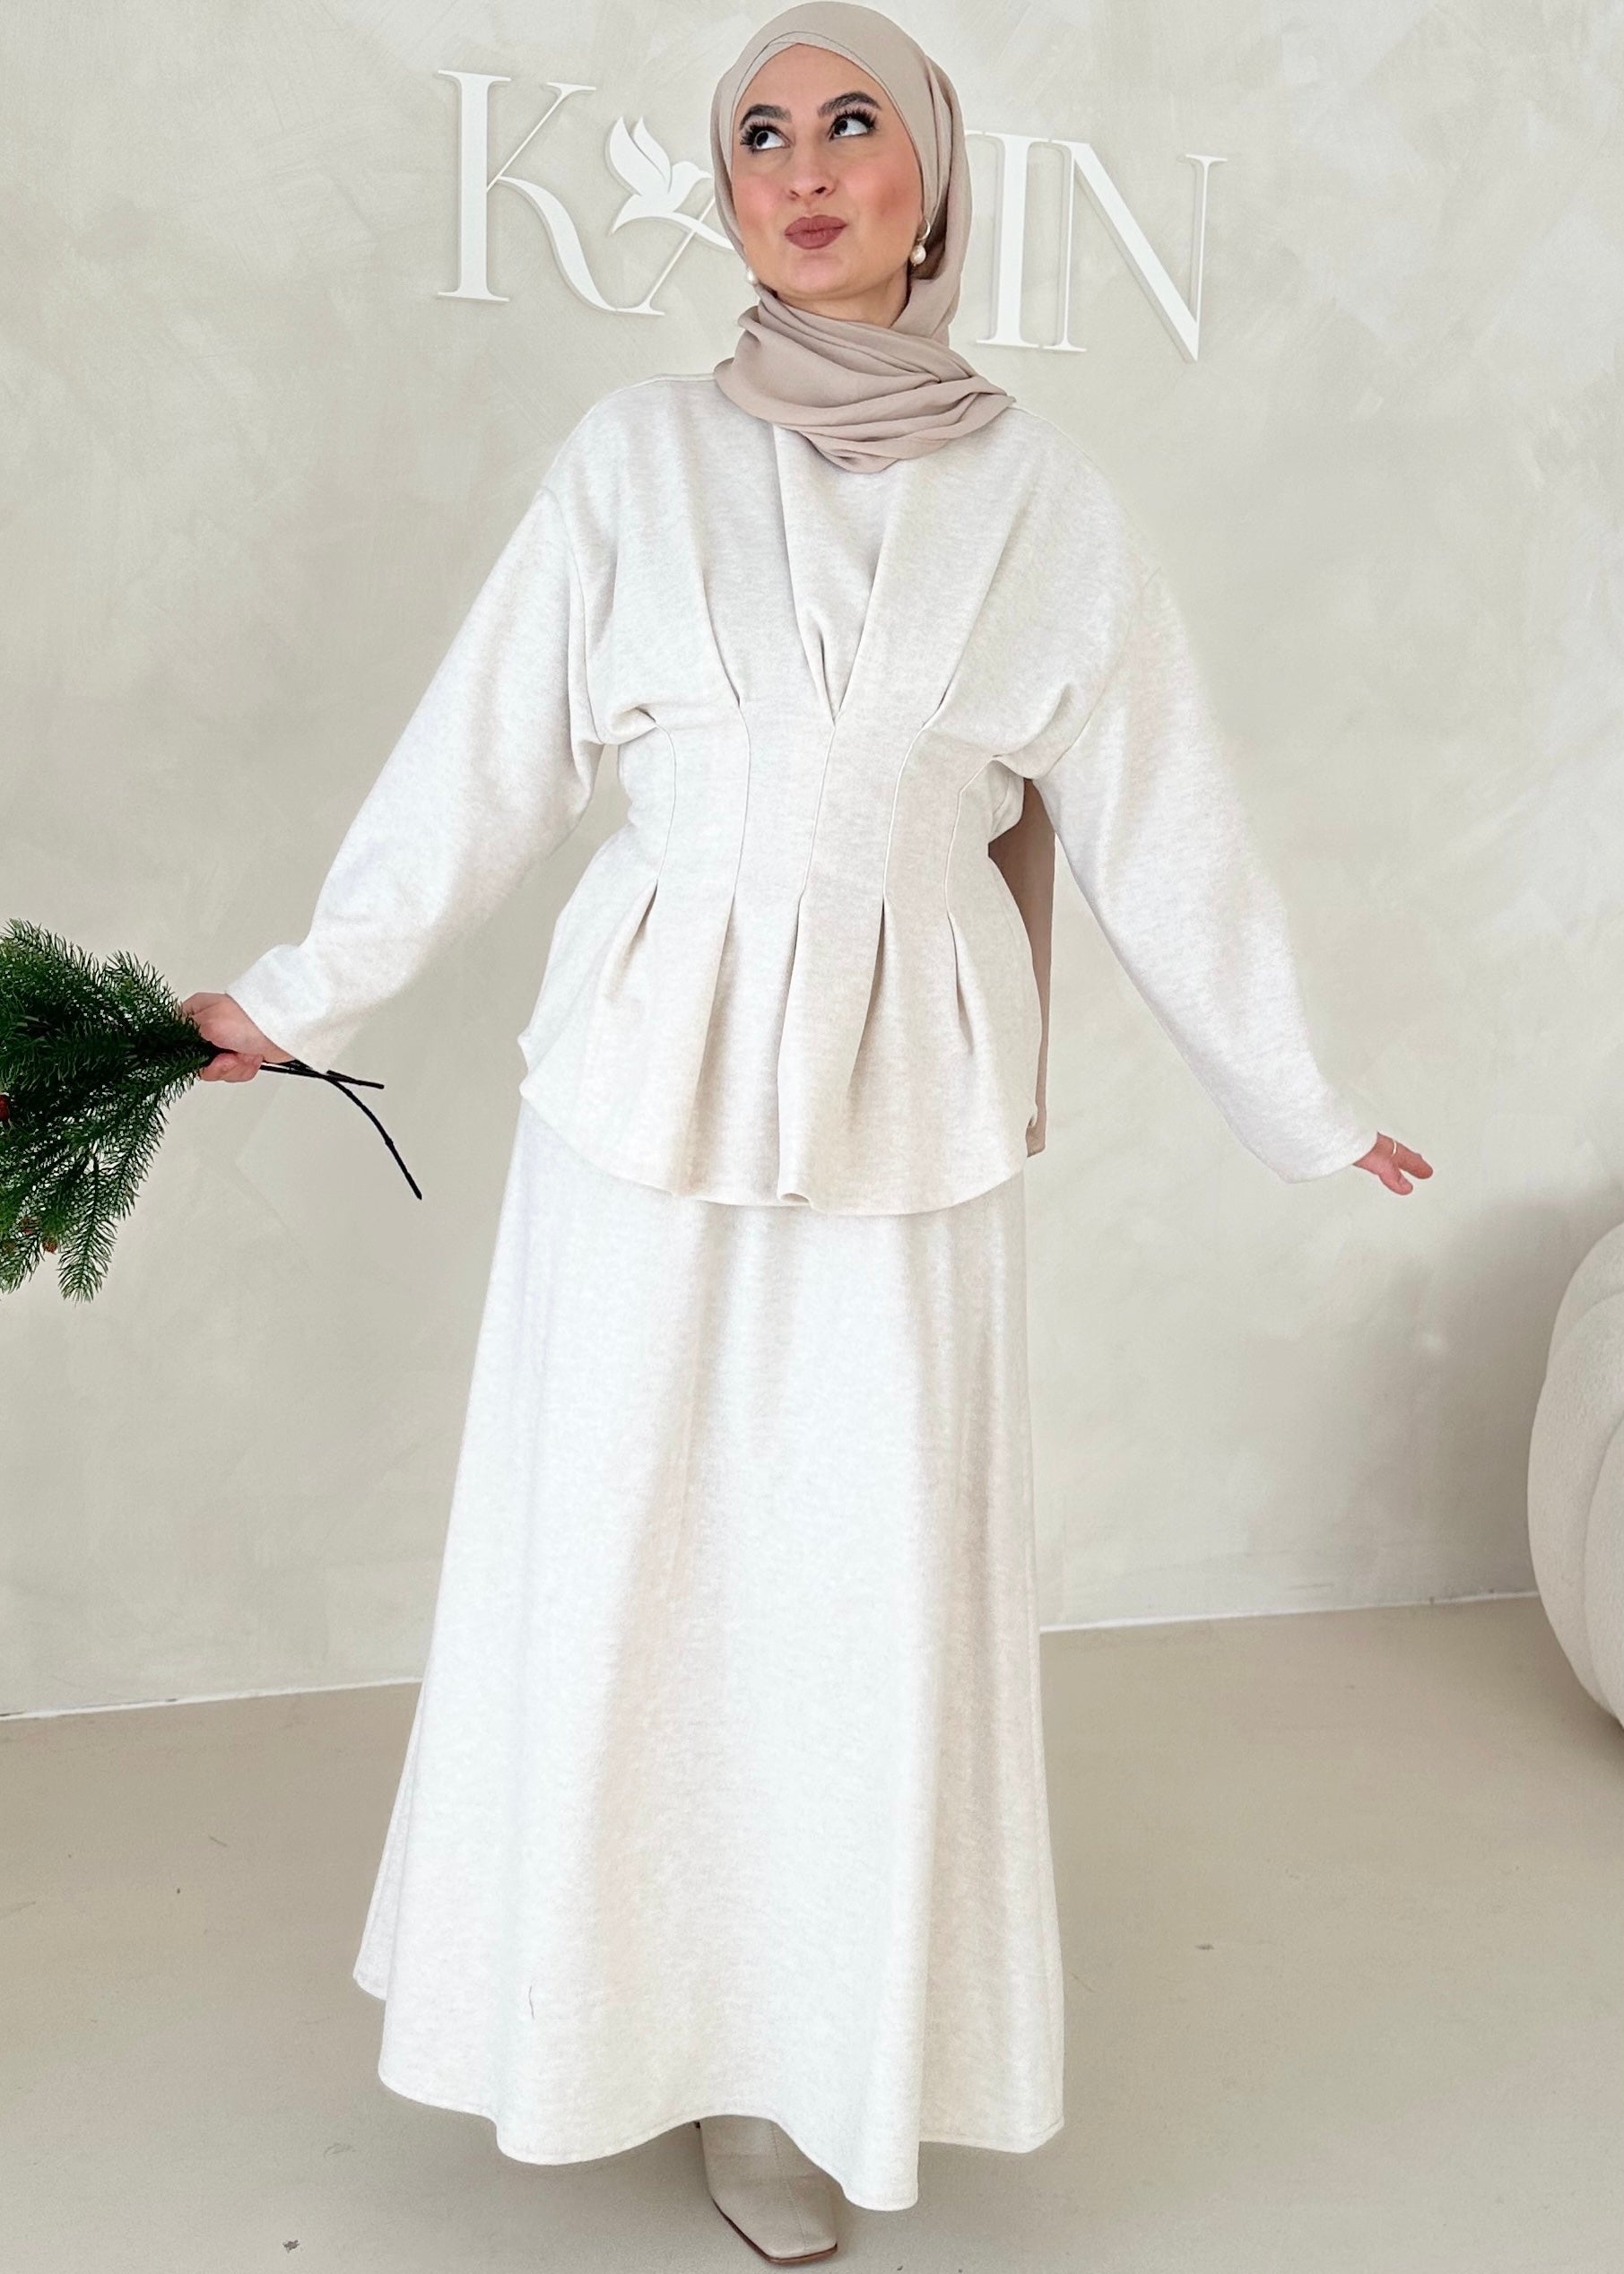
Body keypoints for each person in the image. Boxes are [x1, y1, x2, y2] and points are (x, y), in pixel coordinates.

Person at [184, 4, 1432, 2260]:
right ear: (730, 194)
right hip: (642, 1091)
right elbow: (478, 765)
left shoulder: (1049, 505)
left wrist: (1304, 1102)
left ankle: (798, 2060)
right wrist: (296, 993)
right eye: (759, 134)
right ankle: (592, 2015)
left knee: (849, 1591)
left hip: (908, 1107)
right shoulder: (634, 458)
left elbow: (1162, 829)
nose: (803, 166)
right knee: (626, 1556)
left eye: (854, 121)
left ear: (933, 179)